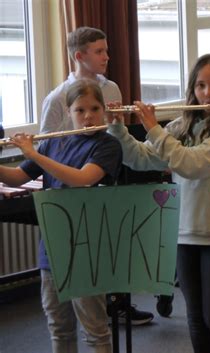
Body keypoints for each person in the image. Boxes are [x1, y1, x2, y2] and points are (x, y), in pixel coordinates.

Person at [106, 53, 210, 353]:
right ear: (192, 88)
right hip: (184, 231)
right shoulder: (184, 125)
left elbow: (192, 164)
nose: (207, 94)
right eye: (200, 86)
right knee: (196, 319)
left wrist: (153, 128)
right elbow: (140, 158)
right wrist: (118, 129)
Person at [39, 25, 153, 325]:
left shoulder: (111, 87)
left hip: (105, 173)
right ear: (79, 56)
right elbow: (46, 145)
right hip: (69, 189)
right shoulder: (56, 98)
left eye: (106, 49)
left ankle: (118, 304)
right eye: (99, 51)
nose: (107, 56)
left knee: (109, 252)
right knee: (62, 315)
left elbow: (115, 134)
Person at [0, 79, 122, 353]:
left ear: (103, 110)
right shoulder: (55, 143)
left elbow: (82, 179)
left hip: (88, 248)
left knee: (95, 330)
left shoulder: (108, 145)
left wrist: (33, 153)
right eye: (80, 110)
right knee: (59, 326)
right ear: (69, 113)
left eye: (94, 108)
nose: (88, 116)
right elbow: (18, 177)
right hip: (53, 247)